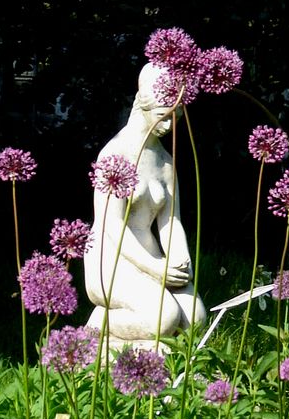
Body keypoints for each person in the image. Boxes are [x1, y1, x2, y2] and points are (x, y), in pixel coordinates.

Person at [84, 62, 205, 343]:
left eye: (176, 117)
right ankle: (100, 323)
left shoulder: (165, 163)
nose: (169, 126)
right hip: (111, 260)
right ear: (142, 106)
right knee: (163, 319)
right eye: (163, 116)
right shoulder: (114, 154)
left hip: (152, 257)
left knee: (195, 318)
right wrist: (155, 269)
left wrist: (179, 262)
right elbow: (110, 225)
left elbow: (171, 221)